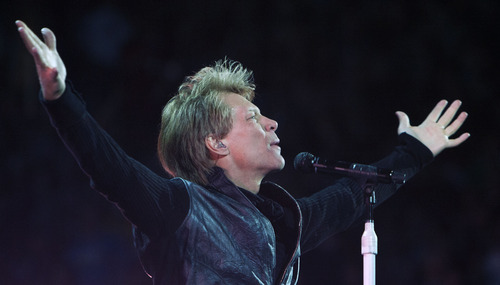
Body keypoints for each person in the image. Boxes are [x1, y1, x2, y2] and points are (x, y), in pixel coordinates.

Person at [16, 20, 470, 285]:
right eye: (252, 117)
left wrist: (415, 150)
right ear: (215, 144)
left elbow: (353, 195)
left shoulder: (282, 219)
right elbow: (108, 167)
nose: (271, 123)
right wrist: (60, 97)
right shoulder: (179, 208)